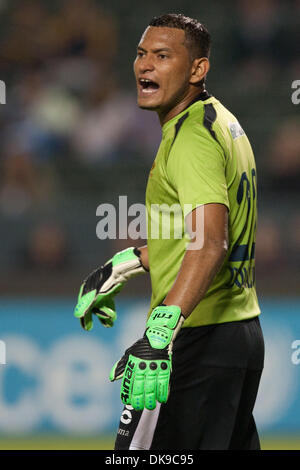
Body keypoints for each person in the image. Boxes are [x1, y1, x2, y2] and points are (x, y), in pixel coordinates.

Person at [74, 13, 265, 450]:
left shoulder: (191, 139)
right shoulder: (221, 121)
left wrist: (161, 333)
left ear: (198, 69)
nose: (145, 66)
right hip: (238, 336)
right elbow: (201, 233)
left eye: (163, 56)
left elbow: (213, 240)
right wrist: (133, 260)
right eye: (142, 54)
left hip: (193, 338)